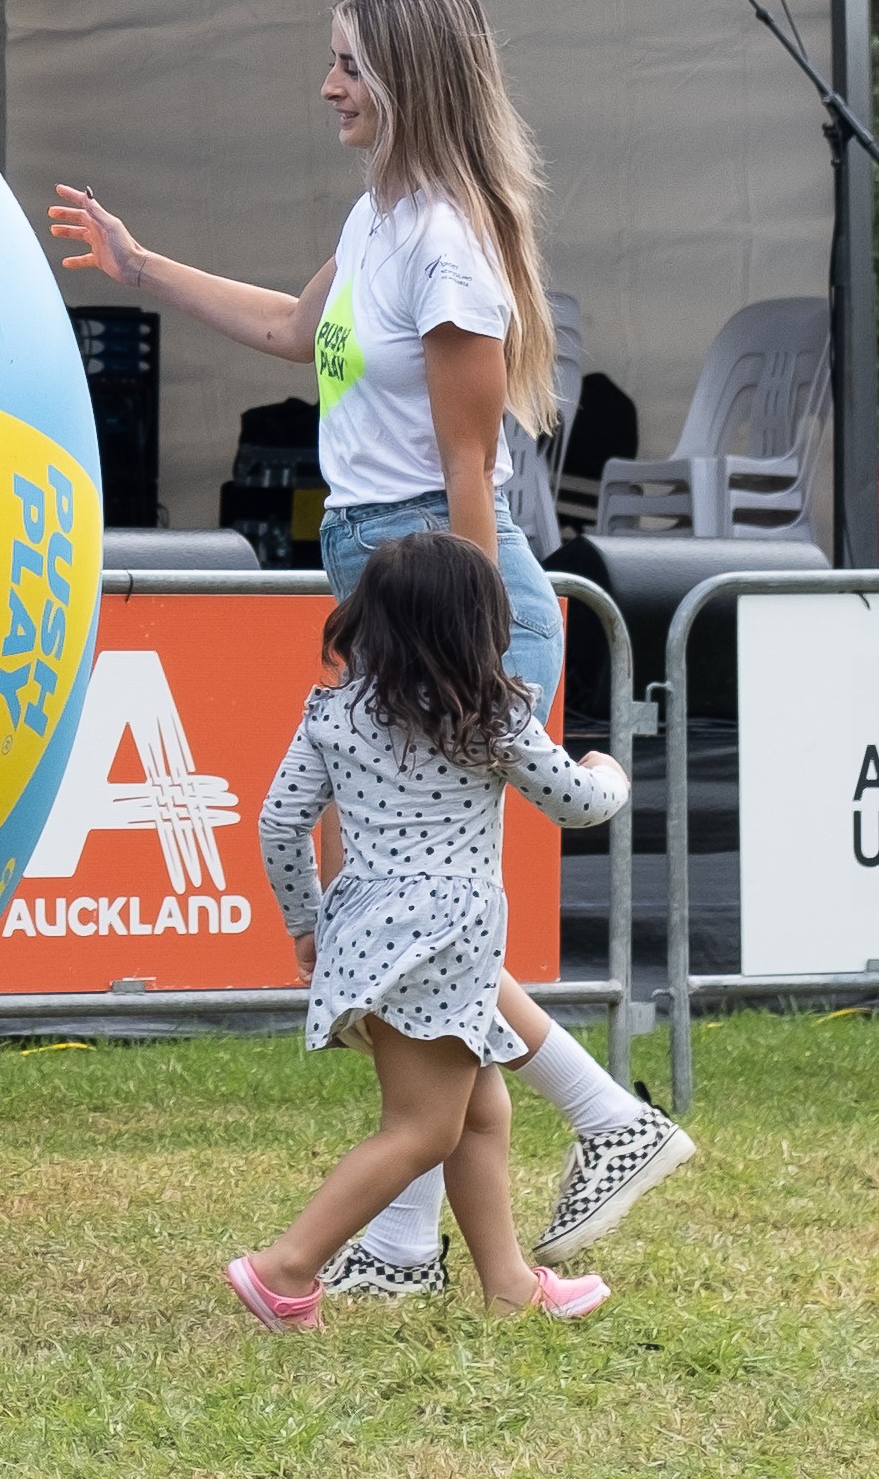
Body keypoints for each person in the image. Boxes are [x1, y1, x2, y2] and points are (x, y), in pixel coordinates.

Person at [48, 0, 696, 1294]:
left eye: (346, 61)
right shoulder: (376, 216)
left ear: (404, 75)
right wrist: (138, 261)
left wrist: (460, 650)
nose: (325, 85)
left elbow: (469, 478)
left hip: (447, 586)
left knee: (422, 914)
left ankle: (600, 1115)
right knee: (425, 916)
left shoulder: (446, 240)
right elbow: (294, 331)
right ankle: (417, 1244)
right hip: (385, 569)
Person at [227, 532, 633, 1328]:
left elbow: (279, 826)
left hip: (366, 939)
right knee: (419, 1129)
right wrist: (610, 772)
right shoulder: (490, 715)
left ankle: (509, 1284)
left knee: (481, 1113)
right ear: (475, 624)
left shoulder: (334, 713)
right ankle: (283, 1270)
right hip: (444, 947)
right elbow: (576, 804)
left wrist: (305, 922)